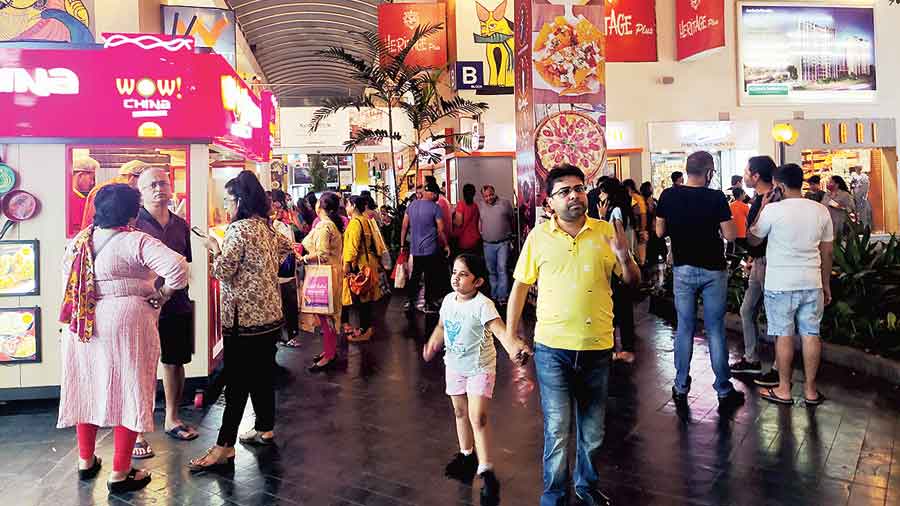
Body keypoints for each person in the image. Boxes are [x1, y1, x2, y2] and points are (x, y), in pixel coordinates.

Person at [508, 164, 640, 506]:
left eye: (579, 189)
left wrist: (625, 257)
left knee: (593, 431)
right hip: (552, 349)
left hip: (597, 347)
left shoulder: (604, 233)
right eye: (564, 191)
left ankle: (587, 485)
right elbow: (520, 288)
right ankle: (553, 494)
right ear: (550, 202)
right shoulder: (539, 237)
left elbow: (632, 282)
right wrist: (511, 336)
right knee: (557, 429)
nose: (574, 196)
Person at [58, 184, 189, 493]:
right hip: (127, 318)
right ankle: (120, 471)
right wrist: (163, 295)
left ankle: (86, 460)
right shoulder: (136, 240)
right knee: (131, 386)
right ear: (133, 212)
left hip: (83, 320)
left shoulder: (80, 241)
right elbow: (177, 268)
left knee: (86, 384)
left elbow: (67, 279)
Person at [190, 171, 293, 472]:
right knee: (262, 374)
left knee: (237, 382)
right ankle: (265, 427)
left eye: (228, 199)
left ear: (239, 200)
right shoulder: (267, 228)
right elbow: (289, 248)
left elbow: (223, 271)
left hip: (242, 320)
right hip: (270, 316)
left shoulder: (238, 231)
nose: (226, 205)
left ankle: (224, 447)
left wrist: (213, 248)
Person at [423, 254, 530, 504]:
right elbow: (441, 326)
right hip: (455, 365)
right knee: (460, 413)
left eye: (463, 274)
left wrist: (515, 349)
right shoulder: (449, 301)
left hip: (480, 367)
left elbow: (501, 332)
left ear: (478, 281)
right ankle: (466, 455)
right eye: (454, 273)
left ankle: (486, 469)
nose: (456, 279)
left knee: (477, 416)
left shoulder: (484, 305)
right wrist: (432, 344)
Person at [656, 151, 744, 411]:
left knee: (684, 327)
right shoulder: (715, 196)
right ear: (709, 172)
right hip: (713, 270)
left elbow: (660, 230)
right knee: (715, 329)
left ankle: (681, 386)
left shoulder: (669, 195)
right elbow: (730, 234)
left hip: (683, 268)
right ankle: (723, 390)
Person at [748, 164, 832, 406]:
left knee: (784, 336)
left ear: (780, 186)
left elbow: (754, 238)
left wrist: (763, 207)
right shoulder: (820, 210)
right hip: (812, 281)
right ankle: (811, 391)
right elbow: (827, 253)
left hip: (780, 284)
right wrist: (826, 285)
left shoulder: (773, 210)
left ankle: (784, 390)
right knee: (811, 335)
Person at [133, 167, 198, 459]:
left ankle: (172, 418)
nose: (159, 189)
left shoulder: (181, 225)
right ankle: (138, 429)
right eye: (152, 185)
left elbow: (186, 263)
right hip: (143, 305)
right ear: (141, 192)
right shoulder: (133, 224)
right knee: (139, 366)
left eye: (163, 183)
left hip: (177, 303)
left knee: (175, 361)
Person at [729, 156, 781, 382]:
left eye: (747, 171)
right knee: (747, 310)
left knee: (775, 317)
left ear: (756, 175)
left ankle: (780, 367)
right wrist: (752, 257)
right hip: (759, 263)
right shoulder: (761, 198)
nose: (744, 175)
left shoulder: (773, 199)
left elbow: (760, 232)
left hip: (772, 264)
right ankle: (752, 359)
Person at [301, 192, 345, 372]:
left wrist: (303, 259)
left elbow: (322, 255)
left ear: (321, 206)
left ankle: (329, 355)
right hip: (332, 273)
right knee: (329, 316)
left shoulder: (324, 226)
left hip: (325, 274)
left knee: (326, 317)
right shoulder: (329, 225)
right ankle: (329, 351)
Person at [599, 178, 637, 363]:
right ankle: (627, 349)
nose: (600, 195)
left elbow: (614, 236)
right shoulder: (625, 208)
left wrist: (602, 217)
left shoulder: (615, 211)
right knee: (625, 308)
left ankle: (617, 350)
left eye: (602, 191)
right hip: (627, 263)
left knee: (616, 308)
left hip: (617, 264)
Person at [401, 182, 449, 314]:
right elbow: (441, 230)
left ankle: (409, 301)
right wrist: (446, 245)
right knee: (430, 277)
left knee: (415, 276)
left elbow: (404, 226)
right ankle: (428, 303)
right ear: (433, 194)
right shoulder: (435, 207)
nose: (437, 197)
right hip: (430, 249)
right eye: (437, 194)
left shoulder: (412, 205)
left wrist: (401, 245)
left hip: (415, 249)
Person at [341, 195, 384, 342]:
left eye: (347, 205)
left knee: (362, 299)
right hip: (369, 263)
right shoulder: (366, 220)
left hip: (360, 265)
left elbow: (352, 248)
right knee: (367, 299)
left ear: (353, 206)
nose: (346, 208)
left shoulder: (354, 223)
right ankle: (366, 328)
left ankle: (365, 330)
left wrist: (347, 264)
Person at [81, 159, 149, 230]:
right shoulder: (108, 191)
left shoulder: (122, 191)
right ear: (131, 177)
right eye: (144, 180)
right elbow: (95, 221)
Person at [271, 190, 300, 345]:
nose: (281, 208)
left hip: (288, 267)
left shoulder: (284, 224)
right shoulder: (275, 225)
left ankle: (289, 335)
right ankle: (286, 336)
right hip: (282, 268)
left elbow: (292, 242)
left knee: (289, 301)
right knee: (286, 302)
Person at [477, 185, 515, 306]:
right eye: (486, 196)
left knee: (502, 269)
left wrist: (511, 236)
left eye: (491, 195)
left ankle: (502, 297)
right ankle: (494, 295)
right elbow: (480, 221)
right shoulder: (480, 206)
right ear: (483, 196)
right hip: (487, 244)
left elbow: (512, 219)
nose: (489, 198)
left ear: (494, 193)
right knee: (491, 271)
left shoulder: (505, 204)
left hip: (503, 243)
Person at [69, 157, 97, 237]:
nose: (92, 183)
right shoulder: (76, 200)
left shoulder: (70, 196)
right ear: (80, 175)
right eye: (92, 178)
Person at [452, 183, 482, 256]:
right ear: (474, 193)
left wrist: (452, 217)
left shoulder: (461, 204)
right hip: (475, 239)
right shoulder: (475, 206)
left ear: (463, 193)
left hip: (464, 241)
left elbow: (459, 223)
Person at [623, 179, 648, 265]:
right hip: (637, 228)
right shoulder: (637, 197)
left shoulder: (635, 198)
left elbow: (642, 214)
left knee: (638, 253)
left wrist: (642, 229)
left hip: (637, 228)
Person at [824, 175, 854, 239]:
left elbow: (852, 208)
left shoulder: (845, 195)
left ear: (837, 184)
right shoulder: (827, 194)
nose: (828, 184)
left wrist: (841, 207)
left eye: (830, 182)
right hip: (828, 224)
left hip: (840, 224)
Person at [729, 188, 750, 253]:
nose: (745, 195)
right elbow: (749, 219)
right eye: (744, 194)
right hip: (742, 232)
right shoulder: (745, 206)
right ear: (741, 195)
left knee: (733, 251)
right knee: (741, 252)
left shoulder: (730, 205)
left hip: (732, 232)